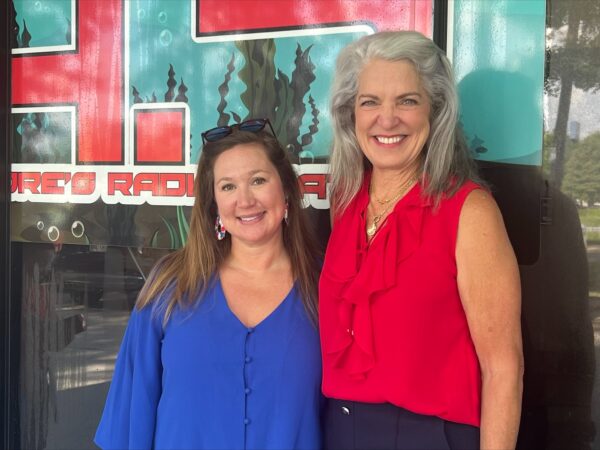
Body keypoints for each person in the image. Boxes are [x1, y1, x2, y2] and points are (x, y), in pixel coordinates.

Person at [319, 31, 523, 450]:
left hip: (429, 435)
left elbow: (503, 368)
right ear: (350, 114)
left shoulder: (469, 212)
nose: (387, 119)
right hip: (342, 431)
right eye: (370, 101)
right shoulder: (346, 203)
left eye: (407, 101)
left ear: (436, 111)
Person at [95, 119, 322, 450]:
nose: (245, 200)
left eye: (258, 180)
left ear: (286, 189)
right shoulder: (170, 285)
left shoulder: (327, 285)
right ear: (213, 204)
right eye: (228, 187)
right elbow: (128, 426)